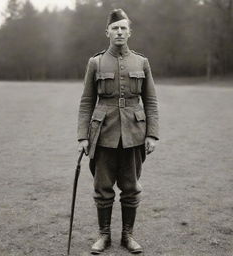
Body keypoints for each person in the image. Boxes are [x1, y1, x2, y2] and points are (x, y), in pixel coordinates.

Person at [77, 8, 159, 254]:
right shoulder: (96, 62)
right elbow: (86, 102)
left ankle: (128, 236)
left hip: (134, 133)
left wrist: (152, 134)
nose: (120, 32)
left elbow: (151, 101)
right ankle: (104, 236)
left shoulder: (141, 62)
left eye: (124, 28)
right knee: (102, 188)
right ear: (107, 32)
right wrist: (82, 136)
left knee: (131, 187)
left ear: (129, 32)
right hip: (102, 134)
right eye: (115, 28)